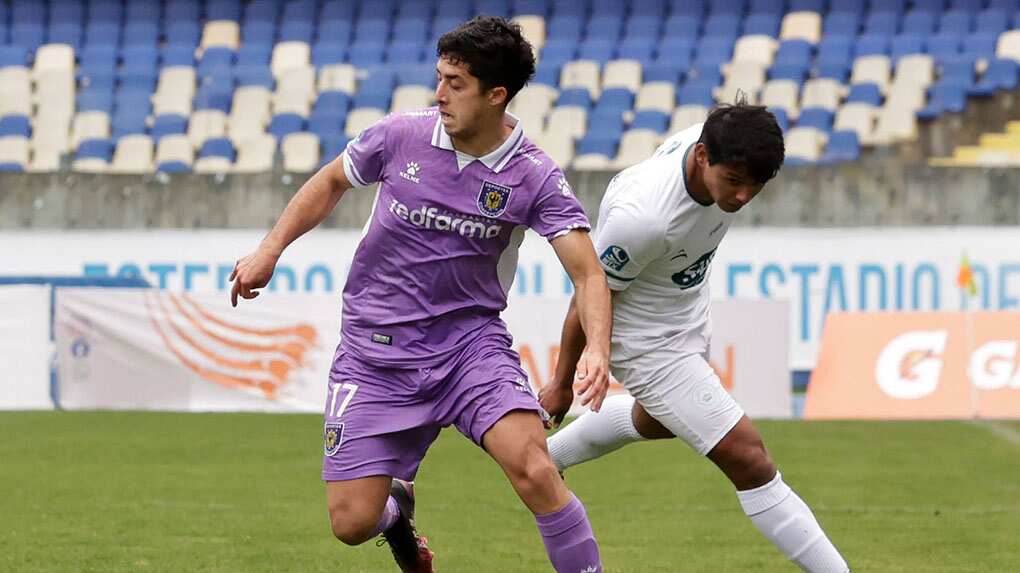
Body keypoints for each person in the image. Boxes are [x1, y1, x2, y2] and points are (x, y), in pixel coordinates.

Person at [230, 16, 612, 573]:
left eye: (456, 83)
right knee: (351, 524)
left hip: (467, 349)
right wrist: (270, 249)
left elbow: (589, 274)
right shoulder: (400, 134)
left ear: (495, 95)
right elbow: (332, 180)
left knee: (535, 469)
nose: (439, 94)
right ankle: (395, 516)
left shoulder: (533, 176)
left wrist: (597, 348)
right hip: (373, 353)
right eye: (439, 78)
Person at [541, 103, 852, 572]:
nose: (744, 197)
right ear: (703, 156)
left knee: (662, 421)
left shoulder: (719, 143)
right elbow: (591, 291)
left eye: (757, 186)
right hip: (645, 338)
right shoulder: (644, 217)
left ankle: (548, 458)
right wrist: (564, 380)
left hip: (684, 305)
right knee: (750, 458)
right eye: (735, 182)